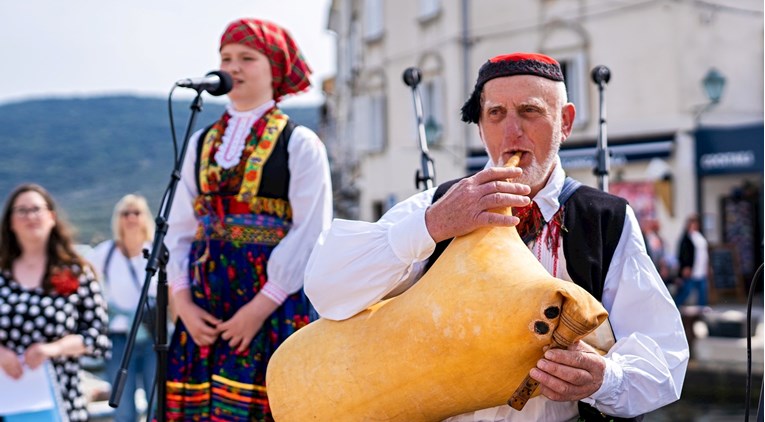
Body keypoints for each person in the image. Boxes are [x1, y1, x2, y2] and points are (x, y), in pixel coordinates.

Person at [304, 53, 688, 421]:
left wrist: (605, 377)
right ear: (481, 126)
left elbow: (665, 361)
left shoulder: (606, 219)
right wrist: (432, 225)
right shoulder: (436, 205)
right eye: (496, 114)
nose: (512, 131)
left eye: (530, 111)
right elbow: (326, 290)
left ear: (565, 122)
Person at [163, 18, 333, 421]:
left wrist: (261, 306)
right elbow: (180, 227)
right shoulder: (200, 142)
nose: (232, 67)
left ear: (274, 68)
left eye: (247, 58)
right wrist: (182, 301)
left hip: (270, 305)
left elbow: (310, 231)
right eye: (225, 58)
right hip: (203, 308)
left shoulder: (300, 142)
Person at [0, 183, 110, 421]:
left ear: (51, 217)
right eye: (22, 210)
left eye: (36, 209)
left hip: (61, 397)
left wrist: (53, 349)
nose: (30, 216)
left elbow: (96, 334)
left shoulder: (77, 271)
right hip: (6, 398)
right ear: (10, 221)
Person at [87, 194, 157, 422]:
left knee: (156, 402)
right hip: (117, 338)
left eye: (136, 212)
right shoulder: (103, 254)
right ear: (118, 218)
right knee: (123, 406)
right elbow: (87, 286)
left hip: (152, 337)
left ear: (145, 217)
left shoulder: (156, 251)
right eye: (125, 213)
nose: (131, 218)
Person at [674, 214, 709, 307]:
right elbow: (683, 254)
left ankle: (701, 312)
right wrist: (685, 266)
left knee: (702, 293)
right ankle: (675, 306)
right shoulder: (686, 238)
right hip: (691, 269)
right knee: (685, 291)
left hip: (701, 269)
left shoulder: (699, 236)